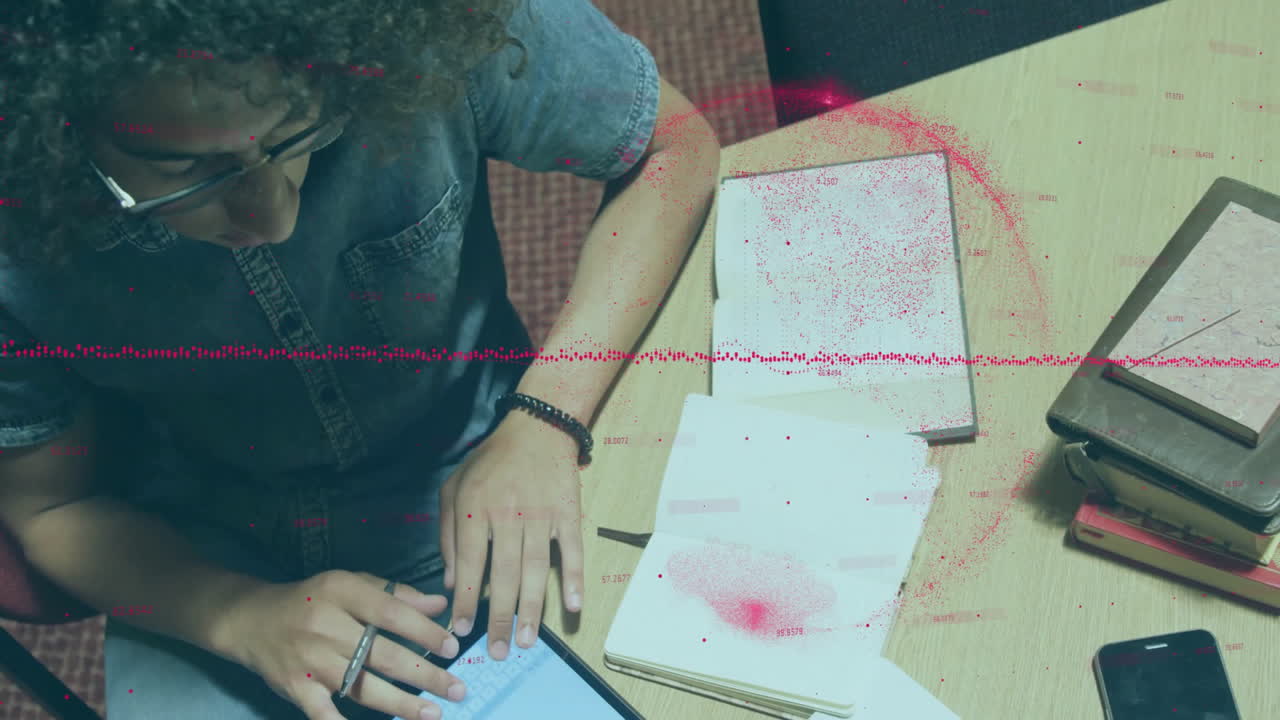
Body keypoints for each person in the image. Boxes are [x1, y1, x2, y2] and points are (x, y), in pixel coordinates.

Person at [0, 1, 720, 718]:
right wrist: (236, 615)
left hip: (482, 457)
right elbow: (51, 509)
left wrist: (545, 417)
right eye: (190, 169)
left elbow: (674, 145)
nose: (270, 216)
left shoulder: (419, 25)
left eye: (296, 132)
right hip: (206, 553)